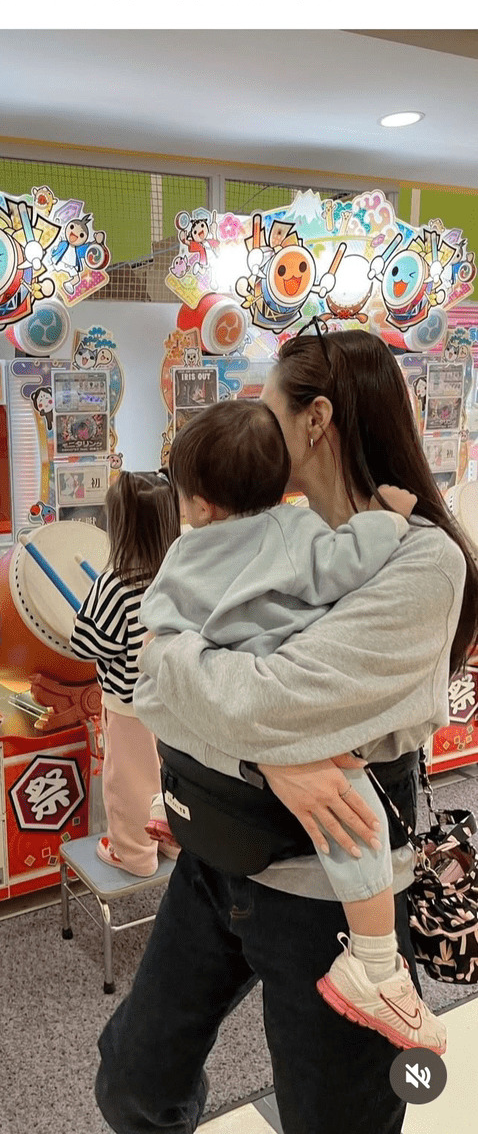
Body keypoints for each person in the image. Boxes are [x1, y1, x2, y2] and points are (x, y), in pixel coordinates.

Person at [95, 327, 478, 1134]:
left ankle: (380, 974)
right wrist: (271, 761)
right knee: (132, 1079)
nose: (253, 428)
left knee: (335, 1116)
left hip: (326, 883)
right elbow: (161, 685)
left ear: (316, 420)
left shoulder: (424, 563)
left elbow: (247, 698)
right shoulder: (277, 536)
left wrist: (183, 674)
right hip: (220, 849)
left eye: (266, 409)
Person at [139, 398, 444, 1052]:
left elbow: (158, 646)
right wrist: (390, 518)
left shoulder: (182, 556)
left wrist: (187, 661)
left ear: (197, 505)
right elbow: (350, 560)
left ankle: (174, 803)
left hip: (215, 730)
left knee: (178, 722)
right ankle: (375, 963)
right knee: (357, 826)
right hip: (291, 729)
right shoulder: (298, 531)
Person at [70, 471, 180, 875]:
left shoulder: (114, 583)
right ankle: (174, 842)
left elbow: (85, 644)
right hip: (175, 699)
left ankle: (133, 852)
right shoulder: (178, 573)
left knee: (129, 782)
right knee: (171, 774)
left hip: (129, 705)